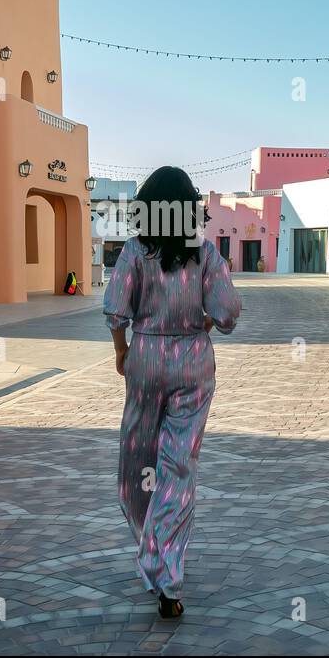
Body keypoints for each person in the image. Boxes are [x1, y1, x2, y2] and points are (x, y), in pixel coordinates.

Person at [103, 166, 242, 619]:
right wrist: (200, 323)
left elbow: (115, 310)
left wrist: (122, 352)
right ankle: (165, 566)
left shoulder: (134, 252)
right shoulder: (205, 254)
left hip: (145, 361)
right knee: (178, 468)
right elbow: (227, 313)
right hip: (192, 365)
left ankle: (157, 556)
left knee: (136, 465)